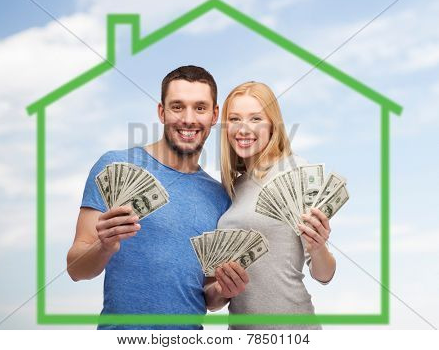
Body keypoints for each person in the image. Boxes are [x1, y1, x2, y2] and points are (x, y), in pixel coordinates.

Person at [66, 66, 248, 330]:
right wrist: (104, 247)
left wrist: (223, 290)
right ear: (161, 112)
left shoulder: (219, 197)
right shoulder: (115, 166)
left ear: (214, 115)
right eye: (177, 107)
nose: (188, 119)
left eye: (200, 108)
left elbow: (209, 296)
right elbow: (75, 269)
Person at [215, 81, 336, 330]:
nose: (243, 129)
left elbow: (324, 275)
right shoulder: (232, 189)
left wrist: (318, 246)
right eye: (235, 119)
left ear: (272, 124)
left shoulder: (296, 172)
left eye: (256, 118)